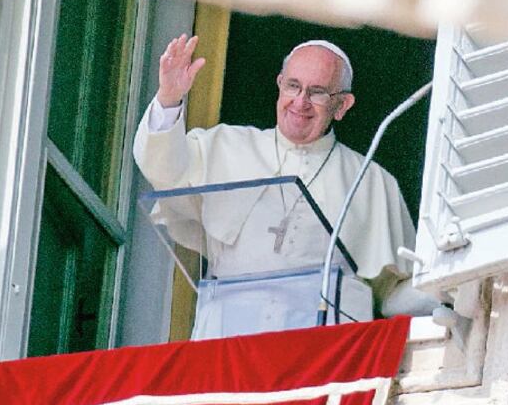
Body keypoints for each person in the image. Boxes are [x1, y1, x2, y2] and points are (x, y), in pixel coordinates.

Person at [133, 34, 427, 315]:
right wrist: (168, 98)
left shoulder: (373, 182)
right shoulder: (226, 145)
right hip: (232, 337)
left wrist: (445, 291)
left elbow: (391, 295)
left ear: (342, 105)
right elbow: (163, 170)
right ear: (279, 85)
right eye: (293, 86)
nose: (301, 102)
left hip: (328, 353)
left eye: (318, 92)